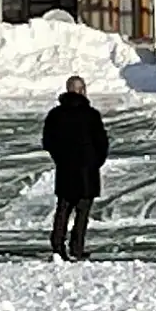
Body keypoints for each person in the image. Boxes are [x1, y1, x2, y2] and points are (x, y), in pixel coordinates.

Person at [41, 75, 109, 261]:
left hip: (65, 169)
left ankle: (57, 244)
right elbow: (102, 142)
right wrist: (95, 161)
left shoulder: (55, 115)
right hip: (87, 171)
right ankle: (76, 247)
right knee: (82, 212)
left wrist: (60, 159)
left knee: (63, 208)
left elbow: (48, 141)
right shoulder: (91, 115)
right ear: (81, 90)